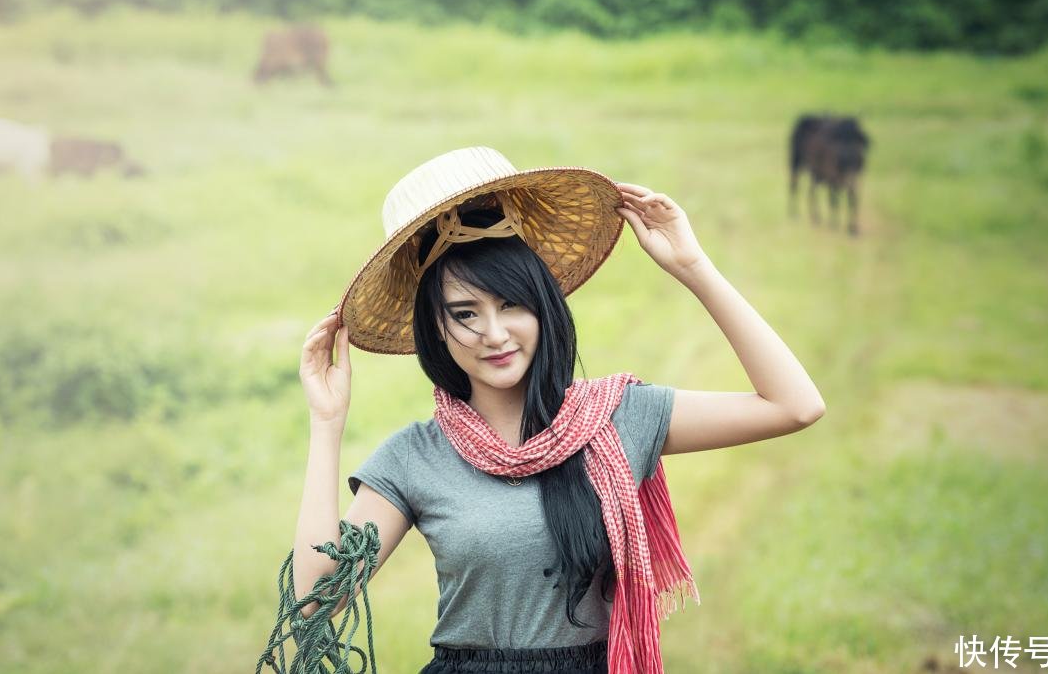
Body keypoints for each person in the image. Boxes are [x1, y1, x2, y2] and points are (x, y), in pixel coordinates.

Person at [293, 147, 825, 673]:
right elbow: (316, 602)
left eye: (511, 304)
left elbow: (794, 405)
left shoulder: (617, 418)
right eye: (464, 313)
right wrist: (326, 424)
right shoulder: (415, 457)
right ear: (435, 327)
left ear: (543, 305)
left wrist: (693, 267)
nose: (495, 334)